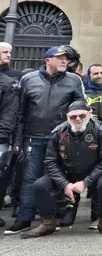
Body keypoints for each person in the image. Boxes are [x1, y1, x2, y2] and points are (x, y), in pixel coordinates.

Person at [5, 46, 86, 235]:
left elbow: (81, 110)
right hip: (32, 137)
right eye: (59, 58)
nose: (64, 61)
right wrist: (18, 140)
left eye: (66, 58)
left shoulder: (74, 80)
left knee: (58, 178)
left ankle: (52, 217)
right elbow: (20, 112)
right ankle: (24, 217)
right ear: (47, 60)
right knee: (29, 178)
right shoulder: (29, 79)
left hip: (61, 139)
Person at [21, 101, 102, 238]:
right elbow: (50, 161)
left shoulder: (101, 132)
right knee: (40, 185)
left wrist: (85, 182)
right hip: (66, 173)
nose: (78, 119)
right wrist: (64, 184)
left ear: (89, 115)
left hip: (93, 172)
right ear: (67, 117)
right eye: (73, 117)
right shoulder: (58, 132)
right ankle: (47, 222)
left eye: (82, 116)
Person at [0, 70, 19, 227]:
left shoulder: (7, 83)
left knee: (2, 176)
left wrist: (2, 134)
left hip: (1, 137)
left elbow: (9, 114)